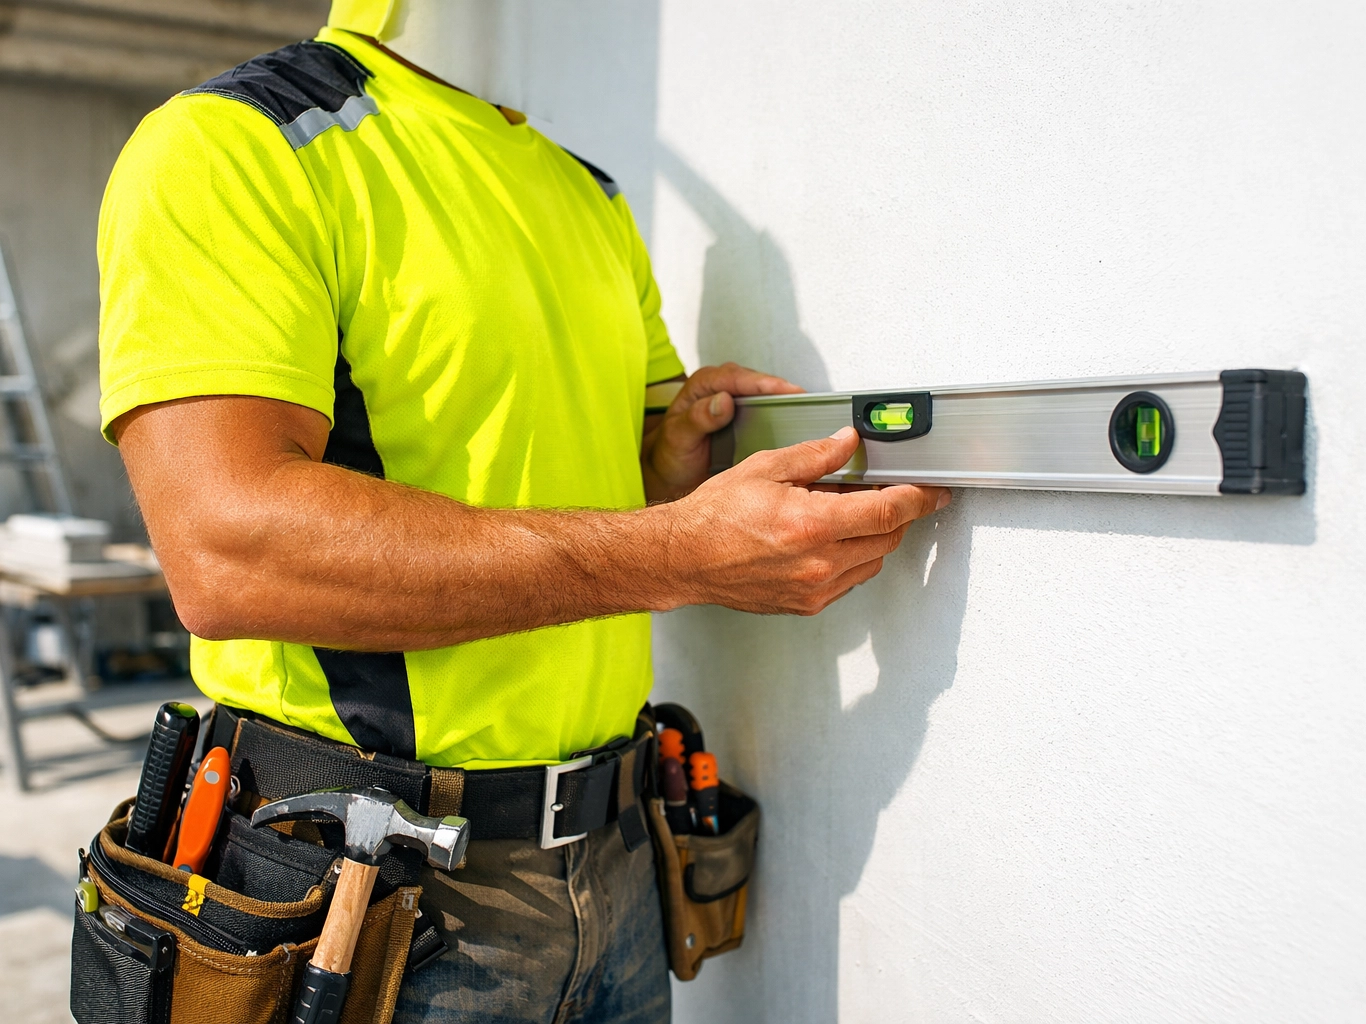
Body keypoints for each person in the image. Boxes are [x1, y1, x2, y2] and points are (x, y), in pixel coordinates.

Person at [97, 1, 950, 1020]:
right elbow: (229, 551)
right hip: (369, 900)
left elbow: (598, 498)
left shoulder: (585, 194)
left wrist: (668, 465)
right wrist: (677, 552)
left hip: (620, 864)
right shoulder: (239, 145)